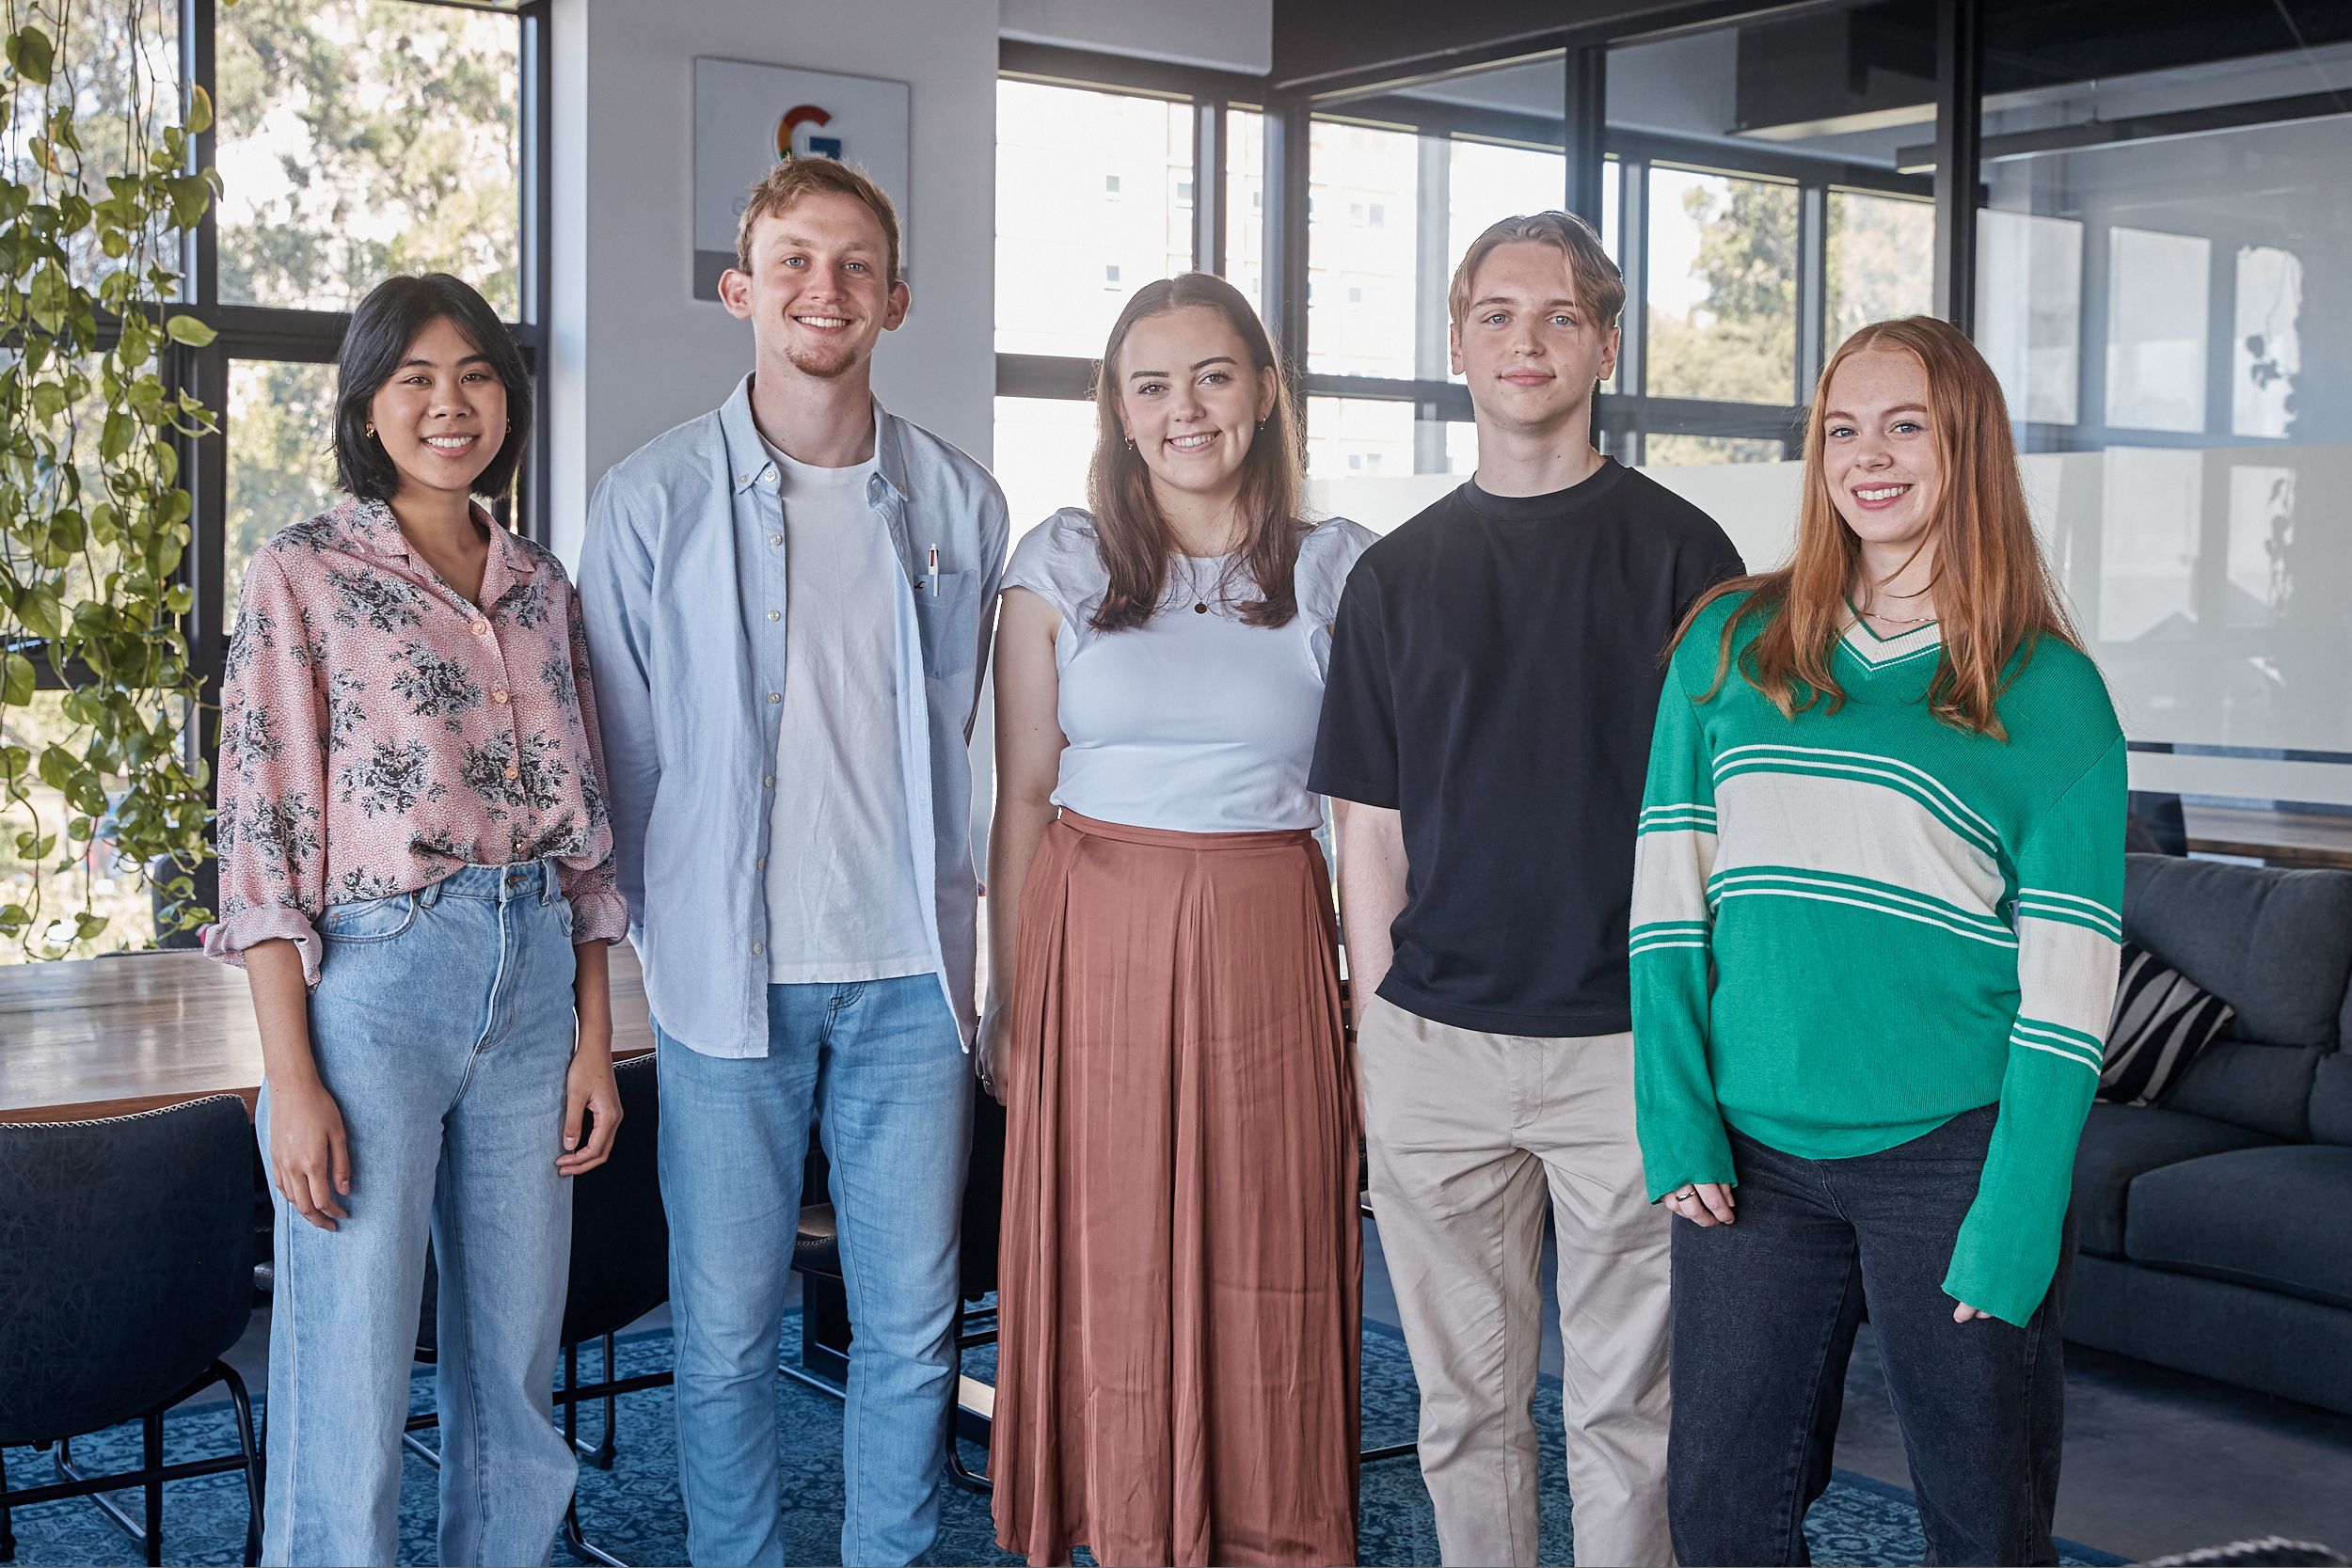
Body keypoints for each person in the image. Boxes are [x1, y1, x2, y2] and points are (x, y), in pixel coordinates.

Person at [1633, 315, 2123, 1567]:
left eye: (1906, 425)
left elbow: (2070, 998)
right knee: (1722, 1512)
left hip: (1948, 1161)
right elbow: (1666, 911)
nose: (1871, 457)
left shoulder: (2050, 694)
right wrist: (1676, 1119)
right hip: (1752, 1155)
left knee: (1984, 1521)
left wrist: (2017, 1215)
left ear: (1966, 448)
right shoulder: (1729, 646)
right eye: (1843, 430)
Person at [577, 156, 1009, 1567]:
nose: (824, 288)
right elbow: (623, 757)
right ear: (740, 288)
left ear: (895, 298)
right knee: (720, 1334)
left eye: (853, 266)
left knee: (909, 1327)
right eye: (793, 261)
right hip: (724, 987)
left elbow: (957, 728)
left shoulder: (957, 501)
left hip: (908, 984)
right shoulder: (648, 503)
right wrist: (660, 940)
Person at [1310, 212, 1743, 1568]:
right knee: (1465, 1415)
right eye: (1497, 315)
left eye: (1559, 316)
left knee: (1628, 1416)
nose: (1526, 341)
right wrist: (1382, 1045)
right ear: (1458, 345)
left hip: (1627, 1055)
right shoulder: (1391, 579)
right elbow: (1366, 836)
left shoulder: (1689, 559)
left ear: (1606, 346)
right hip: (1435, 1053)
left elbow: (1729, 829)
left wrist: (1694, 1048)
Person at [205, 272, 627, 1567]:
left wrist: (592, 1041)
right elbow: (263, 844)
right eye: (418, 381)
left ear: (510, 397)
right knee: (352, 1366)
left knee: (514, 1366)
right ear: (368, 407)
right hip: (377, 988)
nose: (454, 406)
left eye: (478, 375)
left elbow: (586, 831)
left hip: (534, 979)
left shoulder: (541, 582)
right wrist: (293, 1079)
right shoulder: (303, 573)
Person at [980, 271, 1371, 1568]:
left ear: (1264, 393)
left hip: (1269, 928)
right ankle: (1121, 1512)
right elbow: (1025, 795)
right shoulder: (1060, 560)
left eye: (1213, 375)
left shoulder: (1339, 568)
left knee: (1271, 1242)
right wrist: (1010, 996)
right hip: (1092, 934)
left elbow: (1371, 820)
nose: (1186, 407)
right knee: (1111, 1252)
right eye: (1152, 384)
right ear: (1118, 411)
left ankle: (1269, 1531)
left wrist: (1374, 1012)